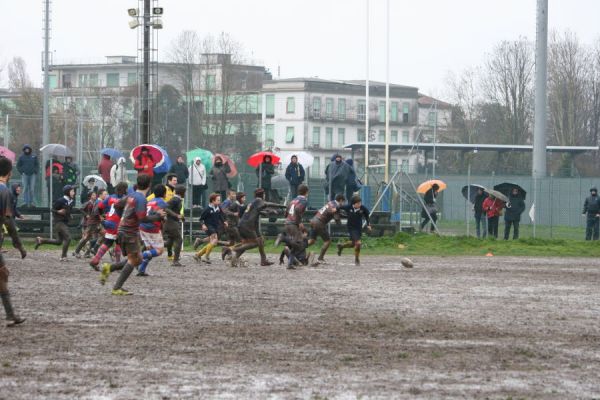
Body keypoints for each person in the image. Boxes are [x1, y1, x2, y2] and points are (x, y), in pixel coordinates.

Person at [99, 174, 164, 295]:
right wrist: (158, 216)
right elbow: (142, 218)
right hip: (129, 232)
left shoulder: (131, 195)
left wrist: (122, 219)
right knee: (135, 260)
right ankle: (116, 287)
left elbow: (117, 205)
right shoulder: (141, 199)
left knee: (136, 258)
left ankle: (109, 268)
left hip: (123, 230)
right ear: (149, 186)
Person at [227, 188, 285, 267]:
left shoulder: (254, 202)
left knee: (259, 241)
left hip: (244, 225)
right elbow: (268, 204)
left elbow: (260, 211)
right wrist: (282, 206)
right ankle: (230, 249)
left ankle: (262, 260)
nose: (265, 195)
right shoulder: (258, 200)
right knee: (255, 243)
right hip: (247, 226)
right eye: (264, 194)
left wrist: (271, 211)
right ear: (262, 195)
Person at [0, 157, 25, 326]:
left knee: (2, 274)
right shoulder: (4, 191)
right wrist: (19, 245)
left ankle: (10, 315)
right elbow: (9, 221)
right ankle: (10, 315)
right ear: (9, 173)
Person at [90, 182, 128, 271]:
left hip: (108, 221)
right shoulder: (124, 199)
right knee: (118, 243)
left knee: (108, 242)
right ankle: (118, 264)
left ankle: (95, 261)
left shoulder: (110, 197)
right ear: (124, 189)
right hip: (117, 224)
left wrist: (101, 217)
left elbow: (99, 207)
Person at [35, 185, 75, 261]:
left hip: (64, 222)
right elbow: (52, 209)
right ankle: (63, 256)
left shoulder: (71, 201)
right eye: (72, 191)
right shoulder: (61, 200)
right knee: (68, 238)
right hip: (59, 223)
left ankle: (41, 240)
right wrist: (58, 211)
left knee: (58, 242)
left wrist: (69, 215)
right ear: (67, 192)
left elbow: (67, 211)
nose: (74, 192)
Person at [275, 184, 310, 269]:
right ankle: (283, 238)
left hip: (287, 223)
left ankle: (290, 264)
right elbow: (298, 210)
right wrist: (299, 222)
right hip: (293, 224)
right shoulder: (304, 201)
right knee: (299, 243)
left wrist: (289, 219)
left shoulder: (293, 200)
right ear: (307, 192)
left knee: (295, 244)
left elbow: (286, 213)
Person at [137, 184, 168, 276]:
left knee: (150, 249)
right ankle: (137, 258)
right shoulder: (163, 203)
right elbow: (163, 218)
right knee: (159, 250)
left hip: (142, 227)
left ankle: (141, 270)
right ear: (164, 194)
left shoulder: (149, 201)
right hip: (152, 228)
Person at [307, 194, 345, 263]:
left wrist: (343, 215)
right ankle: (320, 258)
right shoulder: (336, 206)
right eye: (343, 202)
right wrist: (341, 225)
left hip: (313, 220)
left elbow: (332, 212)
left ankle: (298, 250)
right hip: (319, 223)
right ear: (341, 200)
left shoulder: (331, 202)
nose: (343, 204)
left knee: (311, 240)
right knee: (327, 241)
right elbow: (337, 218)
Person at [338, 195, 372, 266]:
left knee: (354, 244)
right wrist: (335, 210)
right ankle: (357, 259)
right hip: (351, 228)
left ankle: (341, 246)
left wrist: (368, 224)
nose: (360, 204)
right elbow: (339, 207)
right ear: (353, 203)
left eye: (360, 203)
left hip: (359, 228)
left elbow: (367, 216)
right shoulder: (348, 207)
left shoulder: (363, 208)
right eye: (358, 203)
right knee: (358, 243)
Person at [194, 193, 227, 264]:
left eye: (219, 200)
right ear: (213, 201)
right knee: (214, 240)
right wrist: (203, 225)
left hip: (215, 227)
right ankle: (205, 257)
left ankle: (198, 254)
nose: (219, 202)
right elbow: (201, 219)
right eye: (218, 200)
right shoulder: (207, 209)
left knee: (213, 243)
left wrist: (224, 221)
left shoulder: (218, 208)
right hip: (208, 226)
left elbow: (221, 215)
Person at [74, 189, 108, 258]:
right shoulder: (98, 202)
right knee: (86, 238)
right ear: (100, 195)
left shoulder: (99, 201)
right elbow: (96, 212)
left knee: (104, 234)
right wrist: (101, 216)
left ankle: (93, 249)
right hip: (92, 223)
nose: (106, 195)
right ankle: (77, 251)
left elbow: (98, 212)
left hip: (96, 223)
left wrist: (104, 215)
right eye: (105, 194)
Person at [0, 182, 27, 259]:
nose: (19, 189)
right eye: (17, 188)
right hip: (5, 218)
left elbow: (14, 209)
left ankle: (21, 249)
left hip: (9, 218)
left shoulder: (15, 197)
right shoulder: (11, 196)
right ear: (14, 189)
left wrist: (19, 215)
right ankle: (21, 249)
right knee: (4, 234)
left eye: (19, 188)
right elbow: (8, 208)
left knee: (13, 234)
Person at [164, 184, 186, 267]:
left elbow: (174, 210)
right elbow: (166, 208)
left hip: (171, 223)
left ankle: (149, 246)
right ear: (182, 192)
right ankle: (175, 261)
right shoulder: (175, 199)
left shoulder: (178, 199)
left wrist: (181, 217)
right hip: (171, 223)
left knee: (169, 241)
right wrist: (176, 215)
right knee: (179, 240)